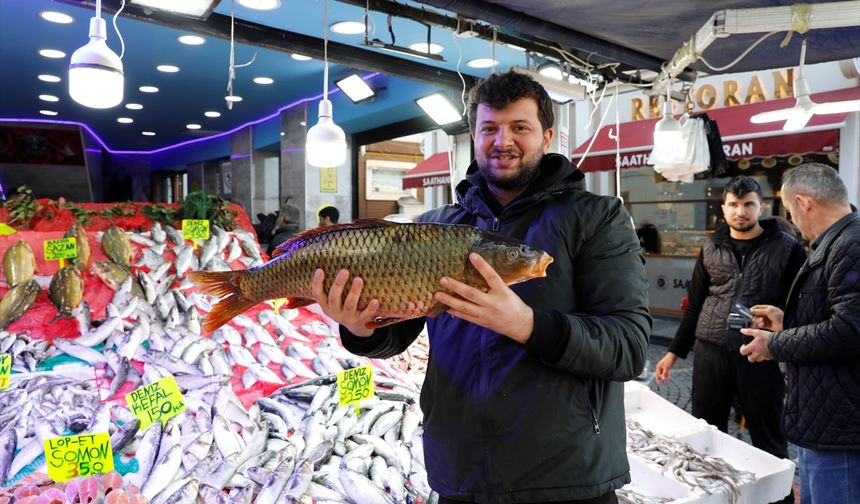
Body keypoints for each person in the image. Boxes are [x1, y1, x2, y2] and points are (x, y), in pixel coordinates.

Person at [311, 70, 650, 503]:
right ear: (473, 136)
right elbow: (397, 332)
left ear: (547, 136)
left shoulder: (597, 218)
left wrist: (527, 324)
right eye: (489, 128)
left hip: (566, 477)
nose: (502, 141)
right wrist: (361, 327)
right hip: (460, 472)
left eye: (519, 127)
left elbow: (629, 347)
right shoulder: (434, 227)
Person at [653, 176, 806, 468]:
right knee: (706, 432)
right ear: (723, 209)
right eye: (733, 204)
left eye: (748, 204)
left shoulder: (787, 248)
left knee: (768, 437)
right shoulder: (711, 247)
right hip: (711, 351)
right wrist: (674, 352)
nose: (741, 211)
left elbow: (800, 306)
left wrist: (783, 330)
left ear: (761, 207)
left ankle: (778, 498)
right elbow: (695, 303)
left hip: (760, 353)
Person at [740, 163, 860, 504]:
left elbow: (850, 330)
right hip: (825, 418)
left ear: (803, 202)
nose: (792, 220)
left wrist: (775, 343)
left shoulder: (850, 244)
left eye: (791, 211)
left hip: (839, 425)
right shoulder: (840, 240)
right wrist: (785, 323)